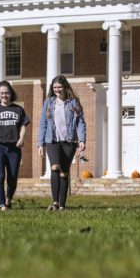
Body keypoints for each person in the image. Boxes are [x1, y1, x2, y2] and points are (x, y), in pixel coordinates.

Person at [37, 75, 86, 211]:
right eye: (54, 87)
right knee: (54, 167)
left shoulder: (74, 102)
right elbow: (43, 123)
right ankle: (55, 202)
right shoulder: (48, 102)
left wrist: (82, 140)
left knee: (64, 172)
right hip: (52, 140)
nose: (57, 90)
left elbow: (80, 122)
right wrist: (40, 143)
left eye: (59, 87)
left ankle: (62, 204)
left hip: (69, 141)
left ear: (65, 87)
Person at [0, 81, 30, 211]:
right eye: (1, 93)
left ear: (11, 93)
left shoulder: (18, 109)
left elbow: (23, 126)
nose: (4, 95)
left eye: (6, 93)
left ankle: (8, 199)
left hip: (14, 148)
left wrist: (22, 138)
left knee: (13, 177)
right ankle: (1, 204)